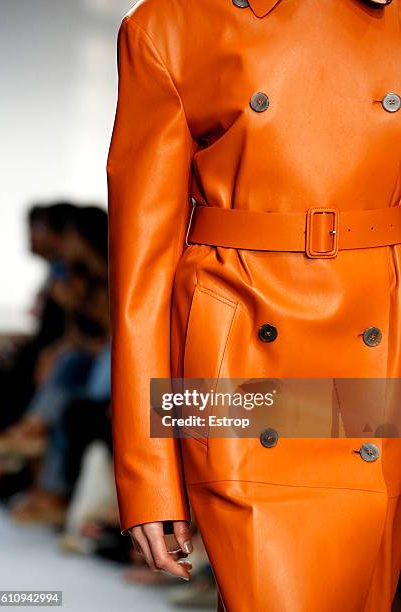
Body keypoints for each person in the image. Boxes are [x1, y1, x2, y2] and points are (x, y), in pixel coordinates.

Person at [107, 1, 401, 610]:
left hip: (385, 359)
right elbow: (141, 274)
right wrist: (147, 476)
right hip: (246, 366)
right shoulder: (170, 25)